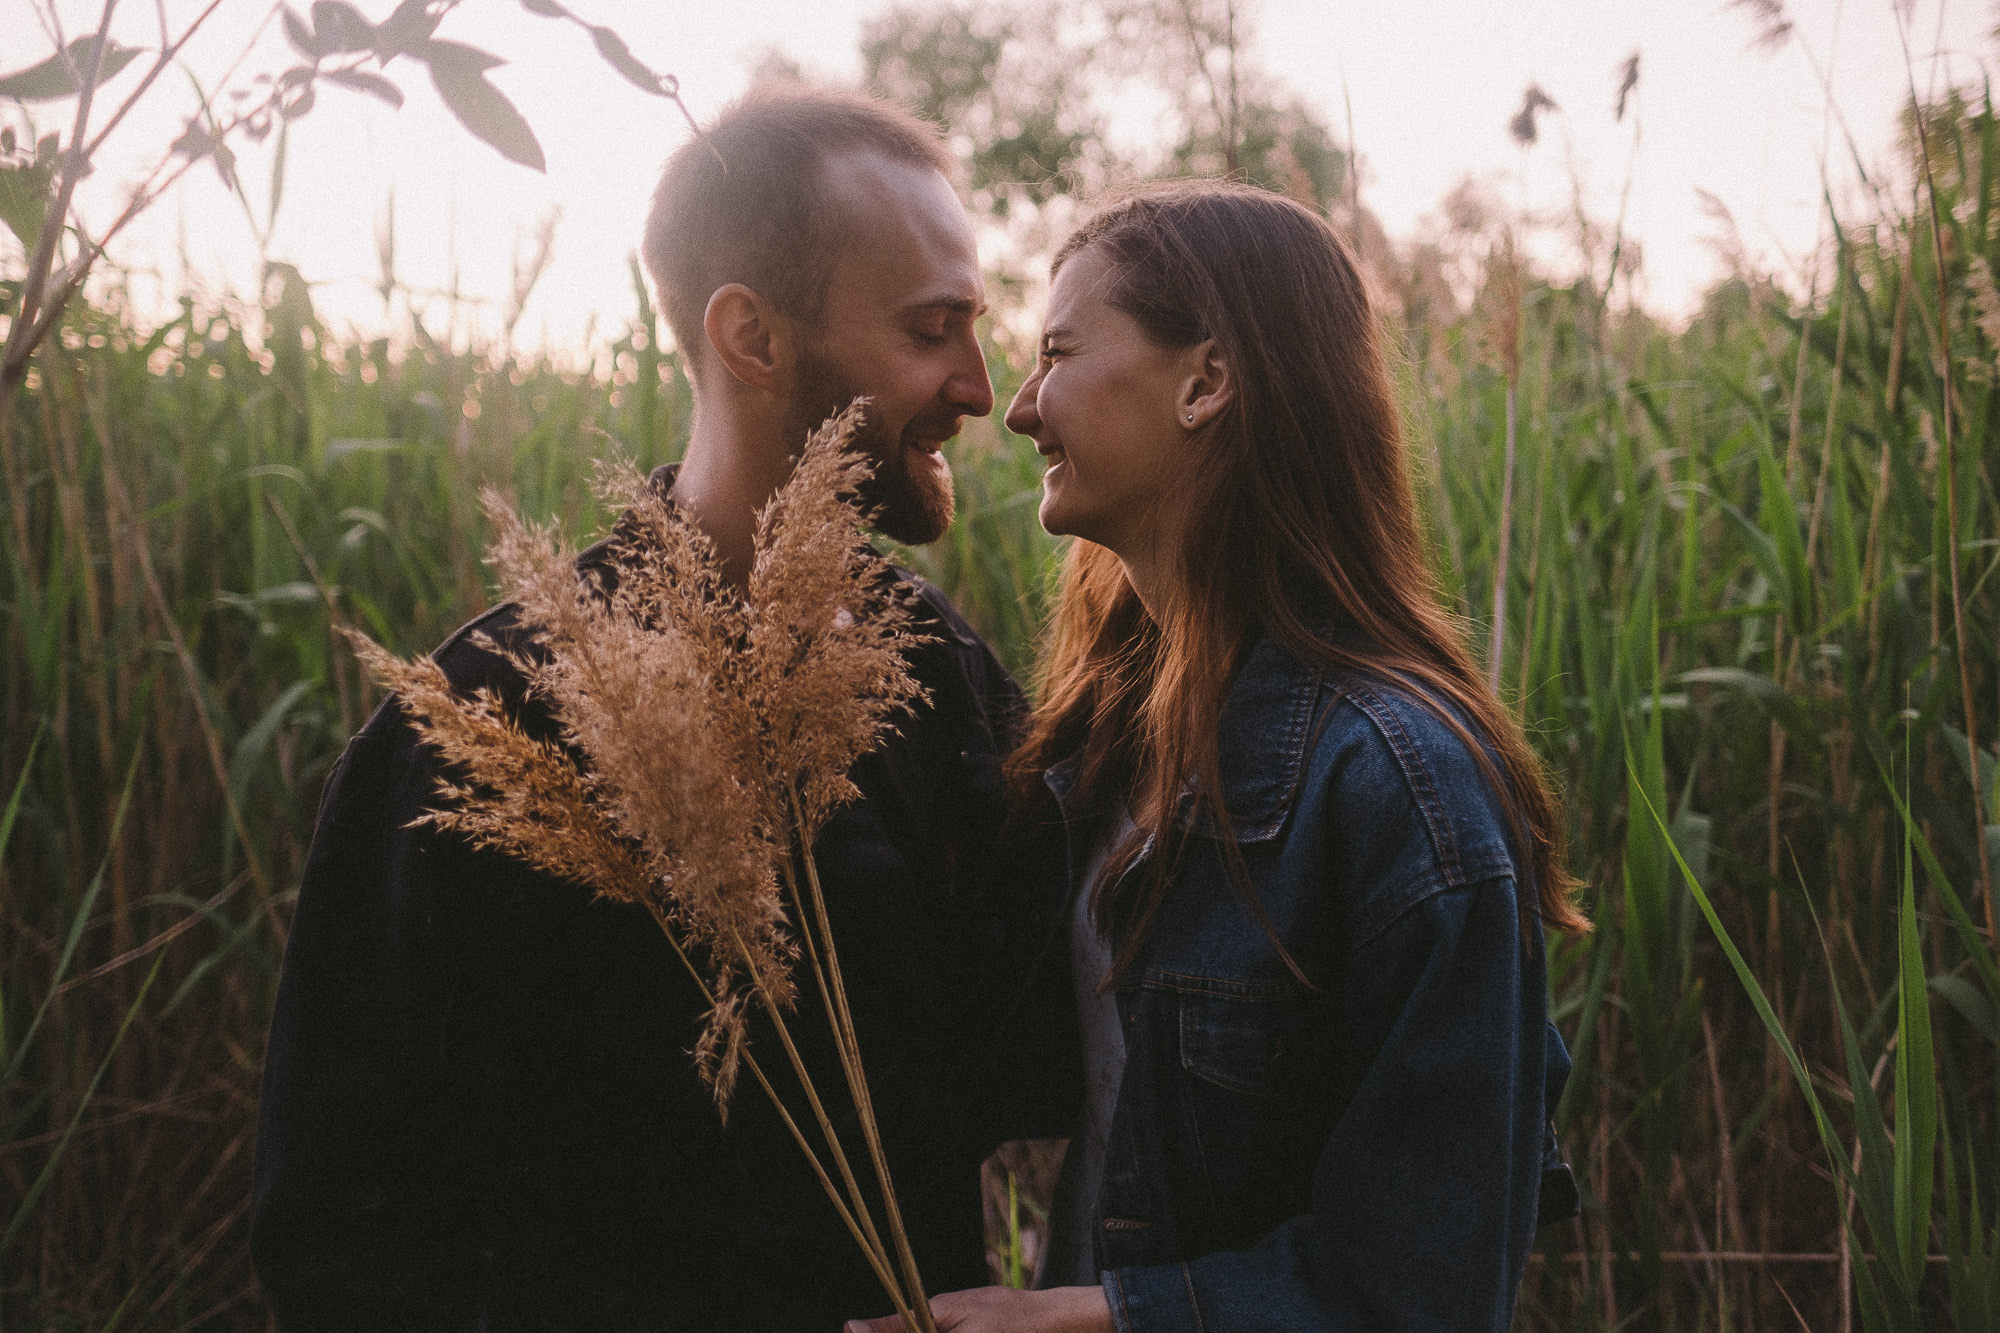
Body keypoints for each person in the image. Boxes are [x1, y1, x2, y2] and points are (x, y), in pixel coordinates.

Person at [251, 84, 1075, 1331]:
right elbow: (343, 1222)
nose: (978, 385)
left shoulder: (937, 678)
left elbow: (1050, 1058)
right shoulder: (486, 719)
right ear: (751, 336)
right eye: (929, 329)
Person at [849, 181, 1588, 1333]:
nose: (1021, 407)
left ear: (1206, 381)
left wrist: (1088, 1319)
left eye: (1057, 353)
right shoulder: (1103, 737)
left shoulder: (1400, 785)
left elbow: (1425, 1291)